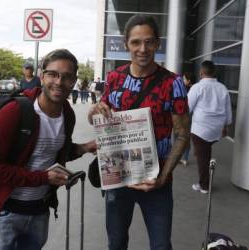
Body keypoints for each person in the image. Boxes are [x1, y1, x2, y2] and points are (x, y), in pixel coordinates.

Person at [88, 14, 190, 250]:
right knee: (116, 243)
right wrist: (94, 111)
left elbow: (183, 135)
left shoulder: (172, 83)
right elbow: (99, 118)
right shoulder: (114, 79)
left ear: (157, 44)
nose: (142, 48)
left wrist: (163, 178)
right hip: (118, 178)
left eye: (149, 41)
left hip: (156, 180)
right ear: (126, 44)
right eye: (136, 42)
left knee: (161, 246)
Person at [0, 49, 97, 250]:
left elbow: (56, 152)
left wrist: (86, 147)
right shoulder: (15, 112)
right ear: (42, 76)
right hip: (5, 214)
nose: (59, 82)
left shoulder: (67, 114)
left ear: (74, 81)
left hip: (39, 212)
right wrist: (43, 178)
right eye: (53, 74)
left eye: (67, 77)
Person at [188, 60, 232, 194]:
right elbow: (228, 111)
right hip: (216, 129)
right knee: (204, 151)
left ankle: (204, 186)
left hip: (201, 129)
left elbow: (187, 107)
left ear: (201, 72)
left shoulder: (197, 87)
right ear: (214, 73)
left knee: (203, 157)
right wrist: (225, 126)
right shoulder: (223, 88)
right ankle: (200, 153)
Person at [178, 71, 195, 166]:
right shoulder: (183, 88)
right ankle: (182, 158)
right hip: (184, 116)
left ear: (188, 80)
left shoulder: (192, 90)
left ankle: (184, 158)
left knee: (183, 137)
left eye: (184, 79)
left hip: (187, 117)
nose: (182, 80)